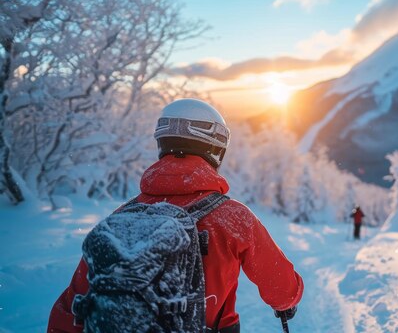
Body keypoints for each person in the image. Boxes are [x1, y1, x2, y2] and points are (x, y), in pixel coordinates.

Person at [47, 98, 304, 333]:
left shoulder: (120, 219)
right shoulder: (232, 217)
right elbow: (282, 287)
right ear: (215, 150)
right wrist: (287, 303)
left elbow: (74, 304)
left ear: (162, 145)